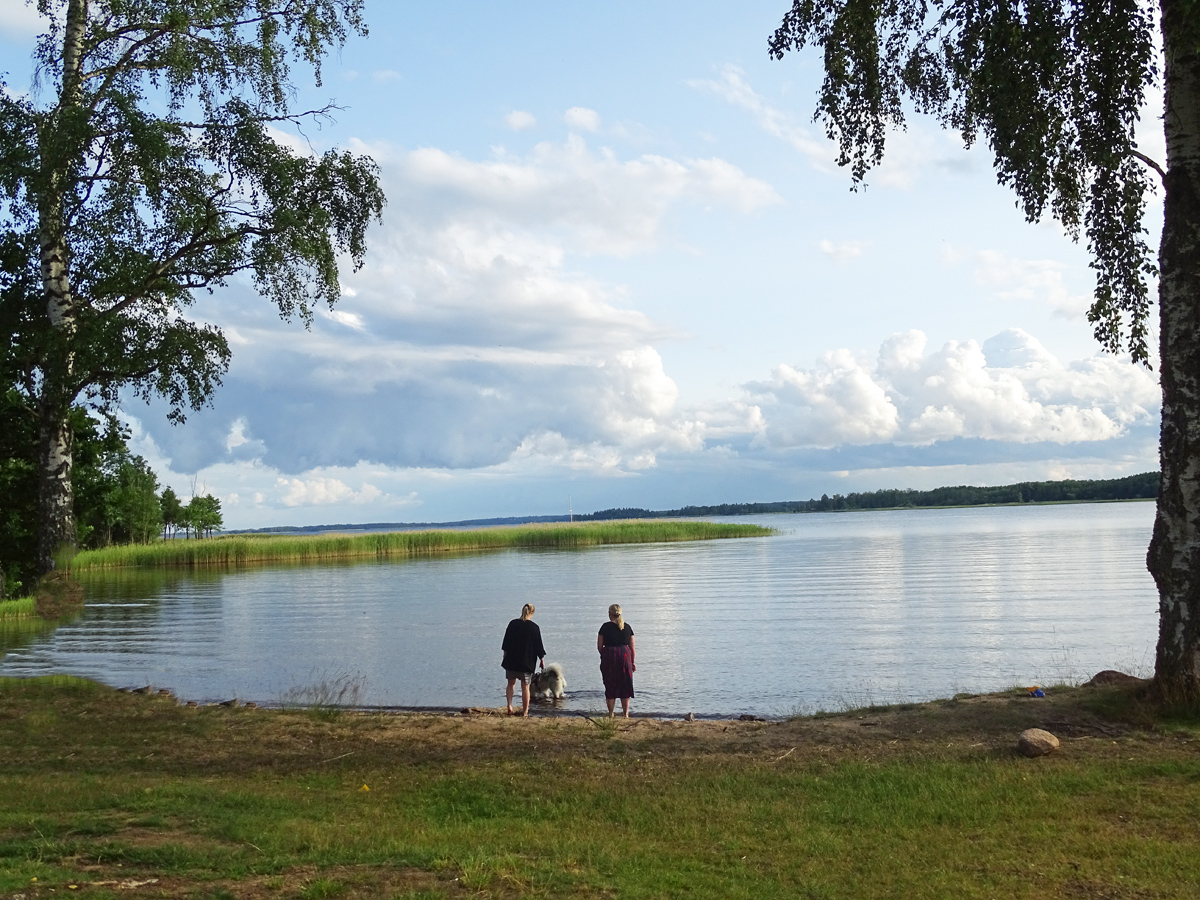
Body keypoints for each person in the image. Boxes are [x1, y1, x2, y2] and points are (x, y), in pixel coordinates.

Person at [501, 602, 545, 717]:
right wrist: (541, 659)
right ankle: (525, 712)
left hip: (511, 661)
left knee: (511, 684)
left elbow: (506, 642)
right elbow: (538, 645)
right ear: (532, 613)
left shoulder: (512, 624)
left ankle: (509, 705)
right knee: (525, 687)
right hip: (526, 663)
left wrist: (505, 656)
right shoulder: (534, 627)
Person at [597, 603, 635, 717]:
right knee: (625, 685)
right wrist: (632, 662)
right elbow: (632, 648)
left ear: (610, 614)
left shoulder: (605, 627)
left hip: (609, 656)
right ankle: (626, 714)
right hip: (624, 656)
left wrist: (604, 656)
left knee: (610, 684)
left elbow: (599, 646)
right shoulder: (627, 627)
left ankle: (610, 713)